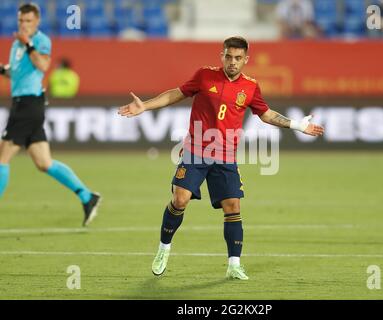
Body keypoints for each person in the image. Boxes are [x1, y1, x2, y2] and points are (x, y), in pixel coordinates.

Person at [118, 36, 324, 280]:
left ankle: (234, 264)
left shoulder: (250, 86)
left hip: (225, 155)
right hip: (196, 150)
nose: (233, 62)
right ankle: (164, 248)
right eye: (229, 56)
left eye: (238, 58)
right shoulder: (205, 76)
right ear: (222, 56)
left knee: (233, 207)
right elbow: (176, 93)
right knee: (180, 199)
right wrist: (146, 106)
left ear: (246, 60)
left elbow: (266, 114)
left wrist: (297, 125)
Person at [0, 3, 101, 226]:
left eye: (27, 21)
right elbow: (15, 73)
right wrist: (1, 69)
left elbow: (43, 64)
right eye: (20, 21)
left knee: (2, 157)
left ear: (36, 22)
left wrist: (28, 44)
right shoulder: (17, 44)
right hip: (25, 103)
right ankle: (87, 196)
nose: (23, 25)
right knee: (44, 162)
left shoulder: (40, 41)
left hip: (28, 104)